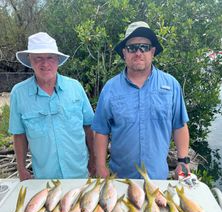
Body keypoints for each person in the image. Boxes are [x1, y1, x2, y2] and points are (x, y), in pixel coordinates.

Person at [92, 21, 190, 179]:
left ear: (152, 52)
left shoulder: (171, 85)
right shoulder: (110, 88)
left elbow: (179, 125)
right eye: (132, 48)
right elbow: (101, 131)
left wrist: (183, 161)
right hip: (120, 180)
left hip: (157, 178)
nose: (138, 52)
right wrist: (101, 166)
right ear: (124, 53)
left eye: (144, 47)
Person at [9, 32, 95, 180]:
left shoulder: (75, 87)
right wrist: (21, 168)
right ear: (30, 60)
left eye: (50, 57)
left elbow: (89, 127)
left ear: (57, 60)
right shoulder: (19, 93)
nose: (45, 63)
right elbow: (19, 135)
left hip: (79, 176)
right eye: (38, 58)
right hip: (44, 180)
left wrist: (94, 161)